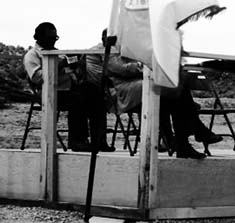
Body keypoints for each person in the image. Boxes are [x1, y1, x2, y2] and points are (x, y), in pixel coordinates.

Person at [85, 44, 221, 159]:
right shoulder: (108, 49)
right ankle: (193, 136)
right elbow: (119, 68)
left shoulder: (129, 46)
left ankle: (185, 142)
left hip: (143, 84)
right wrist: (144, 65)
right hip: (126, 88)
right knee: (177, 95)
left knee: (178, 94)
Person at [21, 21, 108, 152]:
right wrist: (59, 66)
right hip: (50, 92)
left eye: (55, 38)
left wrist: (76, 66)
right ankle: (77, 141)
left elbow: (70, 72)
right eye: (50, 38)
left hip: (69, 88)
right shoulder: (32, 55)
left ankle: (99, 140)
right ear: (39, 37)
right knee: (78, 100)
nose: (53, 41)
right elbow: (37, 78)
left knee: (95, 93)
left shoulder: (58, 53)